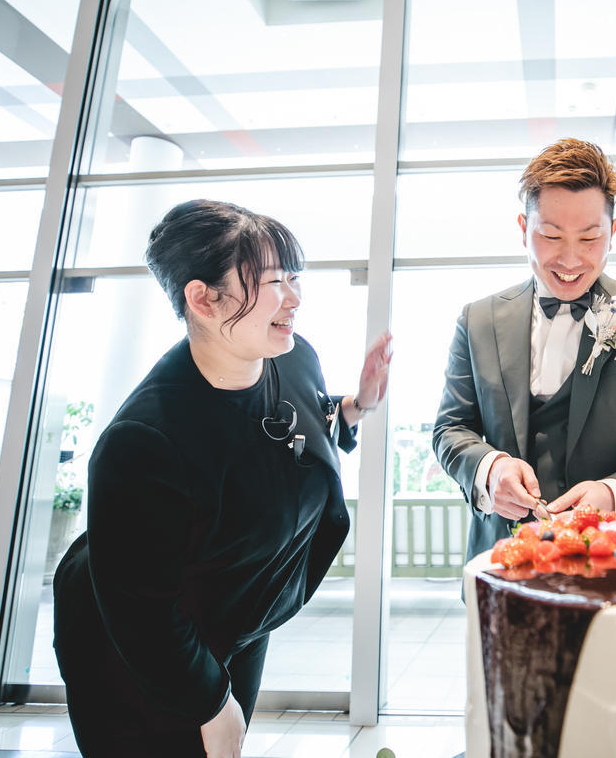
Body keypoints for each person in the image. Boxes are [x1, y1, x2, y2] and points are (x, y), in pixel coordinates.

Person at [53, 200, 392, 758]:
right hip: (138, 652)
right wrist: (210, 703)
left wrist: (357, 406)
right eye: (274, 282)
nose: (294, 297)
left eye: (294, 278)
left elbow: (297, 424)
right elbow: (144, 615)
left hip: (239, 617)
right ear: (204, 299)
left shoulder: (292, 357)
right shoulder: (144, 441)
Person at [433, 138, 616, 562]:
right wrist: (490, 469)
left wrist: (613, 493)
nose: (571, 259)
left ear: (612, 234)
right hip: (502, 554)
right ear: (524, 228)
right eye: (551, 235)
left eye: (590, 237)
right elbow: (451, 428)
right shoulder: (478, 320)